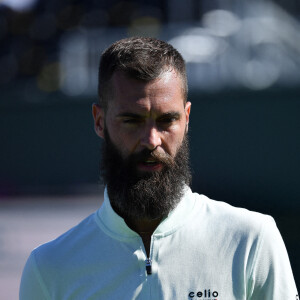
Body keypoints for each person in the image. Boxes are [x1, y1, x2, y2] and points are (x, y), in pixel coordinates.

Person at [20, 37, 298, 300]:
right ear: (99, 121)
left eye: (166, 120)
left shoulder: (252, 239)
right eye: (132, 120)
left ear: (186, 119)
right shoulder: (49, 267)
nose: (151, 140)